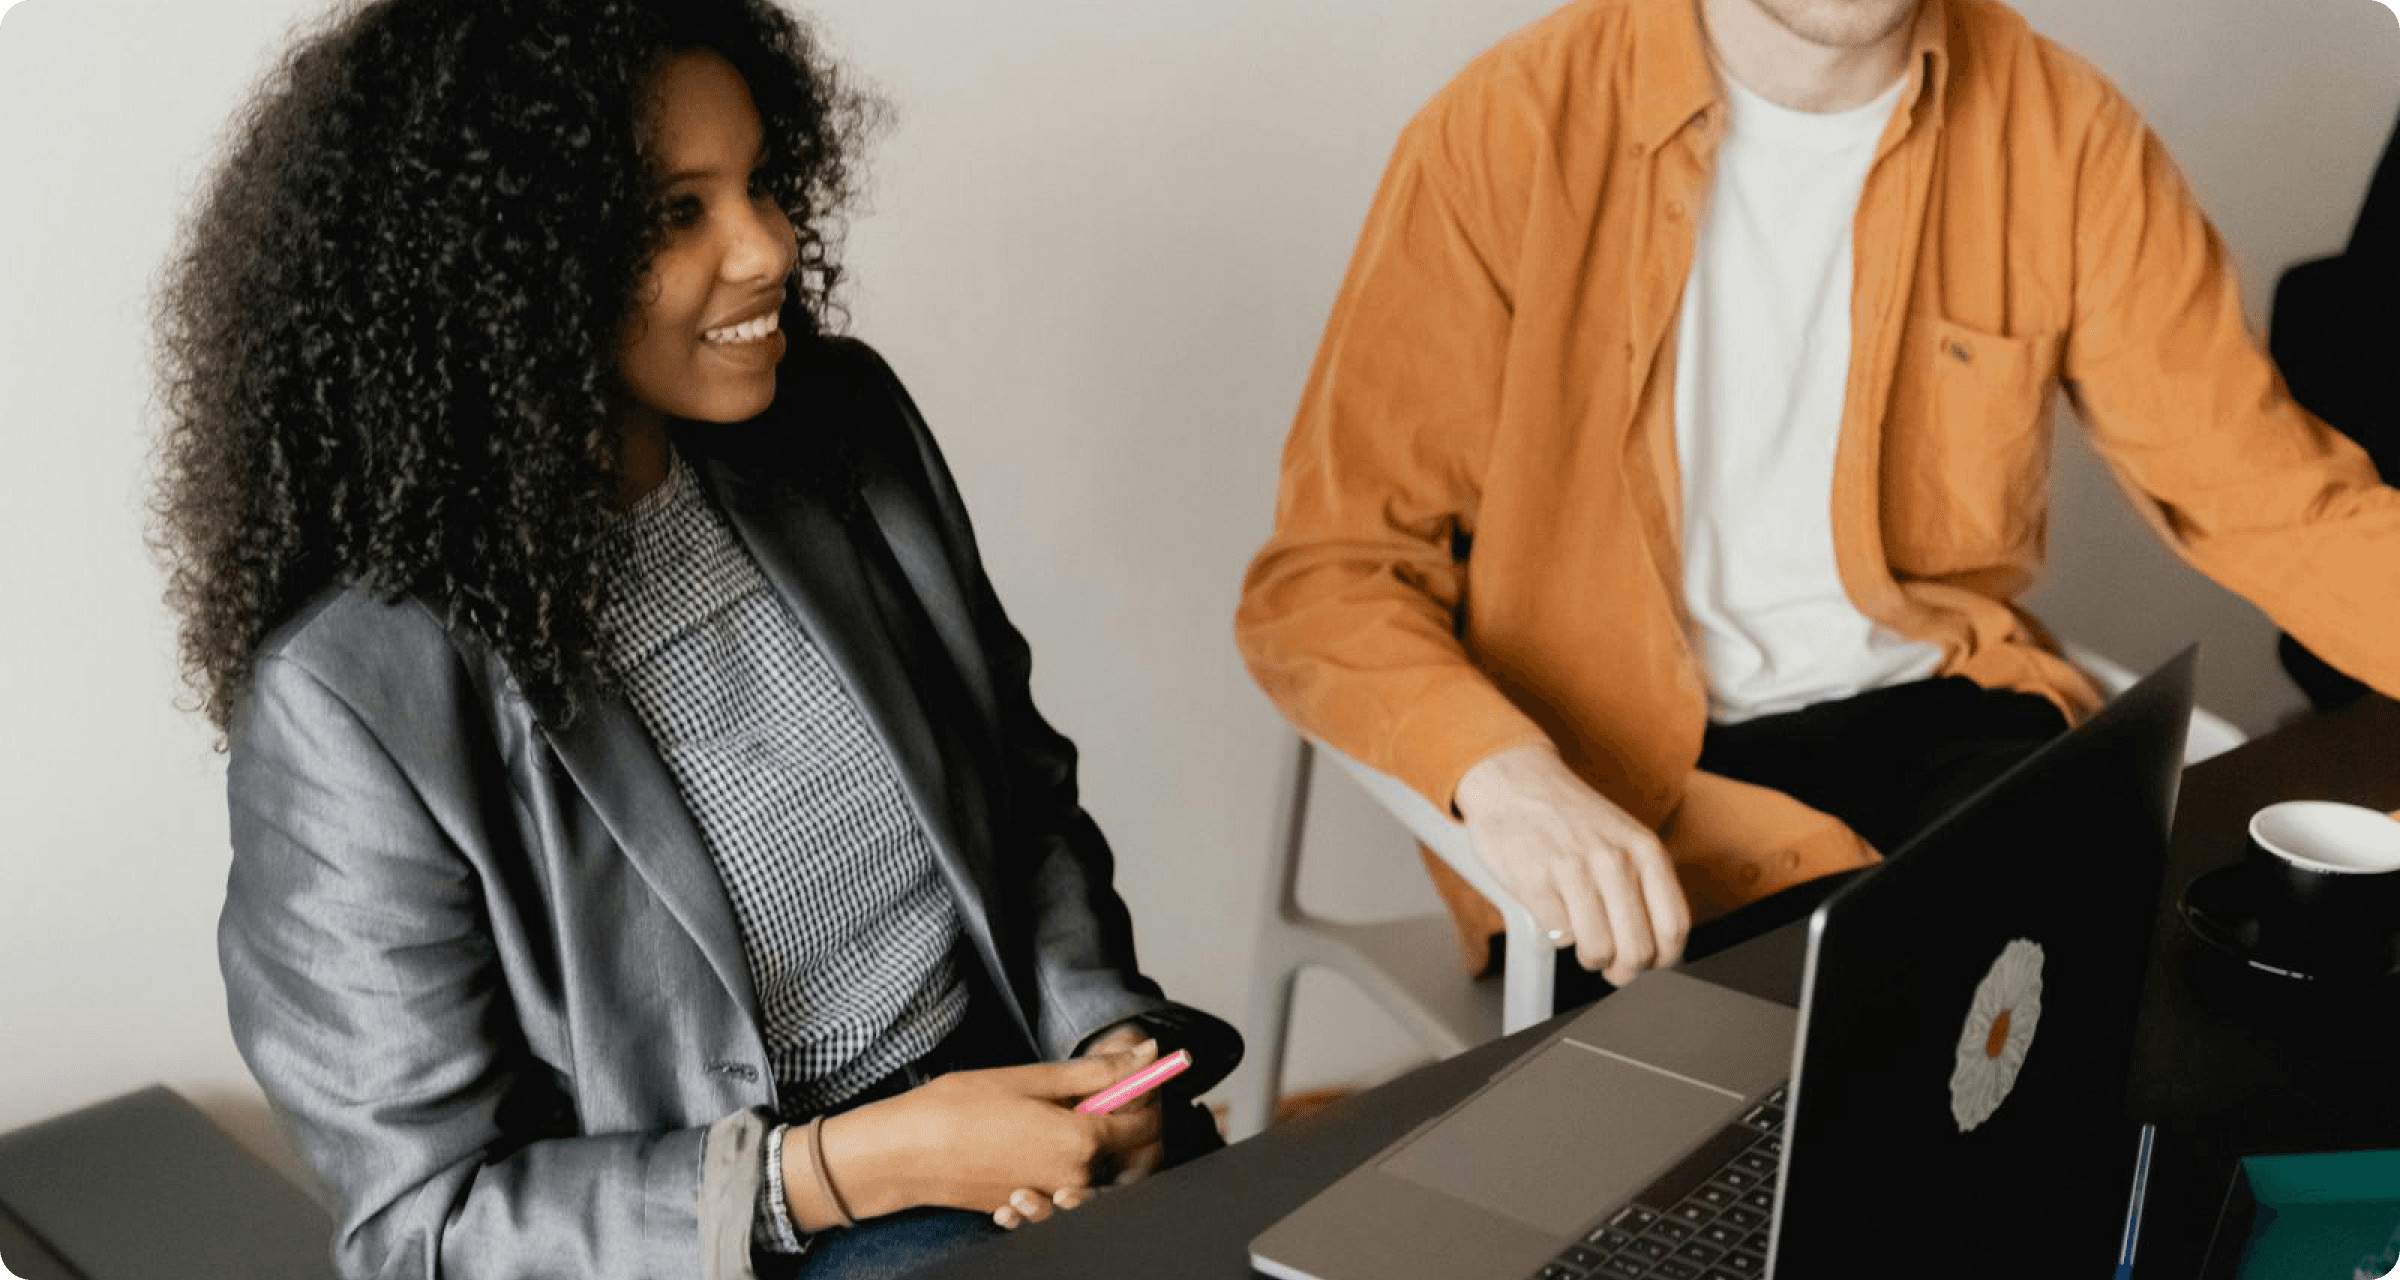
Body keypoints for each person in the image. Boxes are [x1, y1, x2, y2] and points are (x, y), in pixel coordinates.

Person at [149, 1, 1237, 1276]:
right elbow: (426, 1226)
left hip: (1027, 1146)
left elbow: (1021, 805)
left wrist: (1103, 1053)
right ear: (503, 259)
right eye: (680, 211)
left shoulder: (848, 431)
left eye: (763, 183)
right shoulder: (348, 701)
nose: (770, 245)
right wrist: (857, 1164)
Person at [1234, 0, 2400, 1000]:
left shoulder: (2065, 133)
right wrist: (1508, 777)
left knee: (2182, 1014)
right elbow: (1330, 574)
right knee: (1843, 1112)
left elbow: (2275, 500)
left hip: (1941, 711)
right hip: (1626, 774)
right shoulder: (1503, 131)